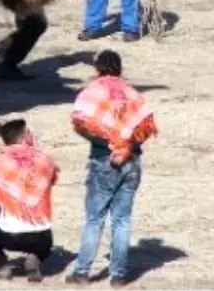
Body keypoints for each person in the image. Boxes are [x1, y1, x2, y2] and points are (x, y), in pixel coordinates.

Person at [66, 50, 157, 288]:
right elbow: (145, 127)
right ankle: (118, 275)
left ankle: (82, 271)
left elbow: (81, 123)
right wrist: (127, 147)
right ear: (119, 68)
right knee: (122, 220)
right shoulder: (132, 93)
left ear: (97, 69)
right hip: (132, 162)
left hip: (102, 161)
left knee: (95, 219)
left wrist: (107, 144)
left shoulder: (93, 92)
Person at [0, 119, 58, 282]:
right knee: (42, 227)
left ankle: (2, 264)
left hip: (9, 236)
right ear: (24, 137)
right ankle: (35, 256)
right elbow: (51, 181)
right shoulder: (45, 160)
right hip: (42, 239)